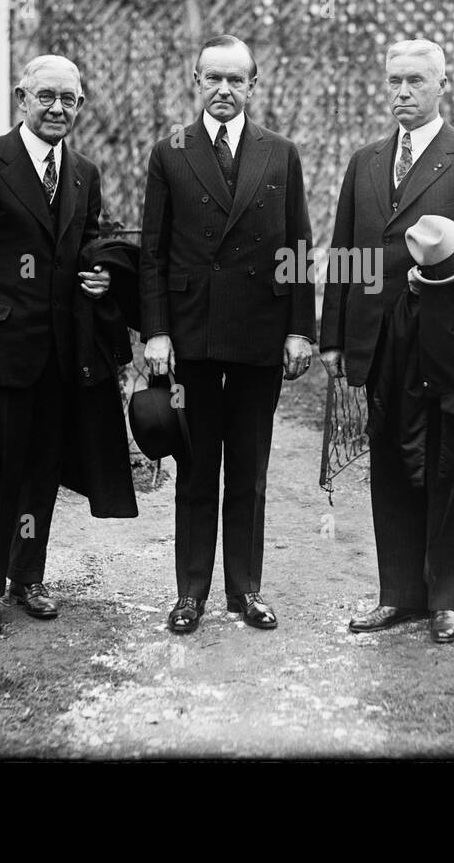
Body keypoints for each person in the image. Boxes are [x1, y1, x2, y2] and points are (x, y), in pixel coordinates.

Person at [320, 38, 454, 644]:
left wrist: (438, 271)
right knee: (388, 464)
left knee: (442, 463)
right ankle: (397, 594)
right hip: (380, 339)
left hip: (446, 339)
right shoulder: (366, 160)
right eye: (393, 81)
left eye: (414, 81)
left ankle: (444, 599)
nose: (401, 92)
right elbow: (345, 252)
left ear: (440, 85)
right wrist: (333, 337)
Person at [139, 35, 315, 634]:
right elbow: (153, 252)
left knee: (250, 467)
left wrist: (299, 331)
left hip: (258, 337)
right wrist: (157, 332)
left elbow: (297, 246)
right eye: (213, 78)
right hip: (189, 340)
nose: (223, 90)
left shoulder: (280, 153)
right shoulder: (170, 152)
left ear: (253, 85)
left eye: (235, 80)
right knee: (194, 464)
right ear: (195, 79)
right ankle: (190, 592)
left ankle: (245, 589)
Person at [0, 54, 111, 633]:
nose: (59, 109)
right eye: (47, 97)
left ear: (81, 105)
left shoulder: (84, 172)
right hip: (0, 351)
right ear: (22, 97)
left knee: (42, 471)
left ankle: (26, 577)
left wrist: (100, 274)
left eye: (70, 100)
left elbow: (88, 245)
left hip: (61, 354)